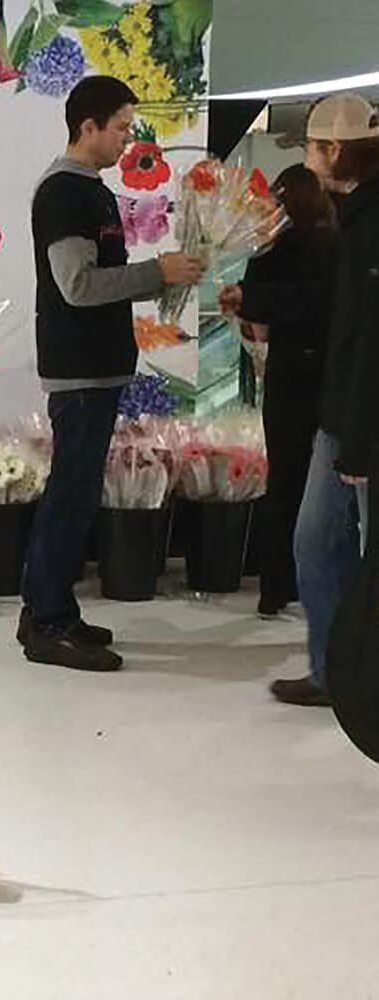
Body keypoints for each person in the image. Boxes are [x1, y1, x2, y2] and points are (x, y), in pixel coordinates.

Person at [19, 75, 204, 672]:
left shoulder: (92, 190)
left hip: (97, 368)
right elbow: (77, 286)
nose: (129, 138)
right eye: (122, 126)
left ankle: (55, 610)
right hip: (77, 371)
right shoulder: (62, 193)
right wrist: (158, 273)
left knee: (76, 494)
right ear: (88, 125)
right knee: (69, 494)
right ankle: (45, 622)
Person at [263, 93, 378, 706]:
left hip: (357, 423)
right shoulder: (352, 217)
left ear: (335, 149)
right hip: (344, 416)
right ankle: (336, 674)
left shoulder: (368, 223)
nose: (307, 161)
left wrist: (356, 439)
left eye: (310, 147)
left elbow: (369, 338)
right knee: (318, 542)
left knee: (331, 544)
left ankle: (348, 679)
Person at [218, 165, 338, 619]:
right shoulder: (339, 244)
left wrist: (245, 300)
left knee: (284, 480)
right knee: (326, 484)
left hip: (289, 373)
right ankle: (319, 581)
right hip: (330, 374)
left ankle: (275, 585)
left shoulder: (272, 248)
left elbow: (260, 325)